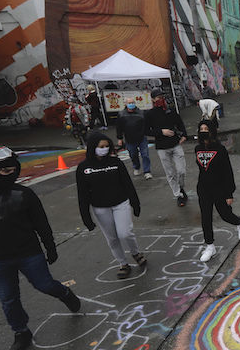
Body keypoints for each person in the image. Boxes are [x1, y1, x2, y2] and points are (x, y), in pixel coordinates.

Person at [0, 146, 81, 350]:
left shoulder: (24, 194)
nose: (11, 175)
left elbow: (40, 222)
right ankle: (21, 332)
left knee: (45, 285)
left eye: (14, 170)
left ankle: (65, 294)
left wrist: (50, 246)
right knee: (8, 299)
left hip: (28, 253)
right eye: (5, 171)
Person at [77, 132, 146, 279]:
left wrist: (135, 203)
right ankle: (123, 263)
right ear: (93, 147)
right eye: (101, 146)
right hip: (100, 208)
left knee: (125, 233)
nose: (104, 149)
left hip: (120, 203)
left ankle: (135, 253)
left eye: (107, 146)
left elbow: (127, 183)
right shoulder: (83, 168)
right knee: (112, 238)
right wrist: (86, 217)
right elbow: (82, 194)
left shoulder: (116, 162)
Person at [195, 121, 240, 262]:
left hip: (218, 187)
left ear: (212, 131)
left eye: (206, 129)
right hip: (203, 188)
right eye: (201, 129)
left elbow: (227, 172)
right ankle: (209, 246)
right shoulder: (197, 149)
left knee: (225, 215)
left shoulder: (220, 149)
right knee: (205, 217)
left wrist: (229, 193)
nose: (203, 131)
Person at [145, 88, 189, 207]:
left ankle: (181, 188)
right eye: (158, 98)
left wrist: (184, 135)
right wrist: (160, 132)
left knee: (181, 171)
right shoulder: (150, 114)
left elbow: (179, 122)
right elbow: (145, 130)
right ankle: (178, 195)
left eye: (162, 97)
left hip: (175, 144)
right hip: (162, 148)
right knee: (170, 173)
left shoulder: (170, 110)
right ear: (153, 99)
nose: (161, 100)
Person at [116, 97, 152, 179]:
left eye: (132, 102)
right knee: (133, 154)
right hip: (130, 139)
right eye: (129, 103)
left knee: (145, 155)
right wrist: (120, 138)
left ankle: (147, 171)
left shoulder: (141, 113)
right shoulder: (121, 114)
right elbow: (119, 127)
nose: (131, 104)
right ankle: (136, 167)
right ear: (126, 104)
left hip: (141, 137)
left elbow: (145, 124)